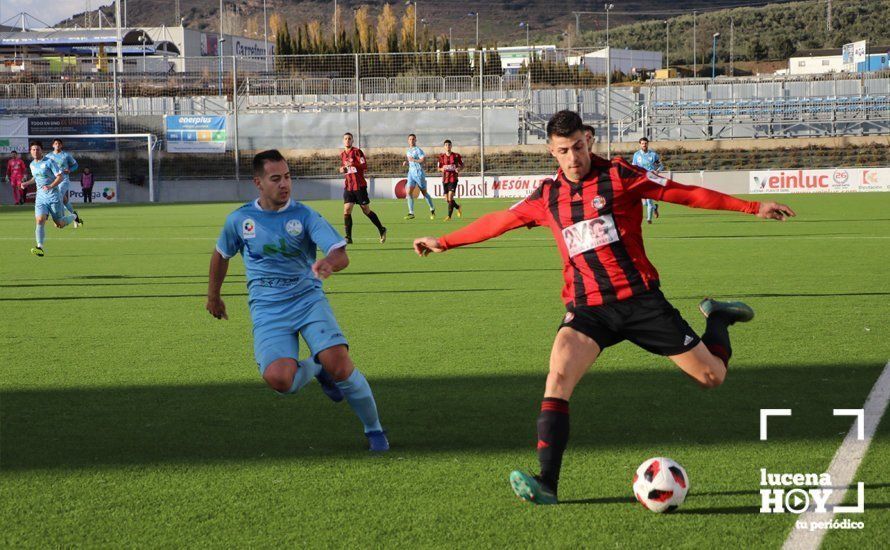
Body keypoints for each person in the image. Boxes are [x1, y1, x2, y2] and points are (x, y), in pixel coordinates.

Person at [412, 110, 795, 504]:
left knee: (712, 377)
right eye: (563, 150)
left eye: (578, 146)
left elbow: (685, 193)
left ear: (589, 140)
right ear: (552, 152)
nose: (573, 157)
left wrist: (751, 207)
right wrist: (445, 240)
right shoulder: (546, 196)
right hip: (589, 309)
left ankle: (719, 318)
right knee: (557, 376)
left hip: (641, 302)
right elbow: (498, 221)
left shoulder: (622, 176)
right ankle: (547, 483)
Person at [206, 149, 389, 452]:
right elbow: (220, 255)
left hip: (307, 300)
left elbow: (340, 252)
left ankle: (375, 432)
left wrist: (329, 263)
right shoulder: (240, 220)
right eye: (275, 178)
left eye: (288, 177)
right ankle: (317, 368)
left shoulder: (304, 215)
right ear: (258, 183)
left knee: (340, 364)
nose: (284, 184)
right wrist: (214, 295)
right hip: (267, 309)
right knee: (281, 380)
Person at [20, 141, 79, 257]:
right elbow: (35, 178)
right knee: (40, 220)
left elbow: (60, 177)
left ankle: (74, 216)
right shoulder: (32, 164)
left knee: (59, 224)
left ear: (42, 151)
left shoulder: (49, 162)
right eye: (33, 149)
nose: (35, 151)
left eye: (37, 149)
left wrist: (51, 186)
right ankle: (39, 247)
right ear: (30, 151)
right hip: (41, 198)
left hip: (54, 197)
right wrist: (27, 183)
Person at [339, 132, 386, 244]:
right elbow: (346, 169)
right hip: (349, 186)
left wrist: (353, 165)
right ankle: (348, 237)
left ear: (352, 141)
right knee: (347, 209)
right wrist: (342, 169)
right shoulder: (342, 154)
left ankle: (381, 228)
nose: (347, 140)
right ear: (343, 141)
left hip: (359, 186)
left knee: (365, 209)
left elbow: (364, 166)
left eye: (349, 138)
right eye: (345, 138)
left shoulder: (357, 152)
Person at [45, 138, 83, 227]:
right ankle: (75, 216)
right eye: (55, 143)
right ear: (53, 145)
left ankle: (61, 218)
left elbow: (75, 165)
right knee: (64, 200)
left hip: (63, 180)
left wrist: (69, 170)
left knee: (59, 197)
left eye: (59, 143)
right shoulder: (48, 156)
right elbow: (45, 167)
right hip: (53, 181)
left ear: (61, 145)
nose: (57, 145)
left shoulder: (66, 155)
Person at [402, 134, 435, 220]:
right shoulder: (408, 151)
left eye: (413, 139)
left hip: (419, 174)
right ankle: (411, 213)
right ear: (408, 141)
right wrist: (407, 162)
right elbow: (411, 161)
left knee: (424, 193)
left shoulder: (418, 150)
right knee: (408, 192)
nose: (411, 141)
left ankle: (432, 209)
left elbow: (423, 160)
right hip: (411, 174)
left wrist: (414, 160)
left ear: (415, 140)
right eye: (410, 139)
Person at [632, 137, 664, 224]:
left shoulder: (653, 155)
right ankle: (655, 208)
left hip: (651, 179)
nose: (644, 145)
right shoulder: (636, 155)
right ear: (640, 144)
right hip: (640, 180)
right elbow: (633, 168)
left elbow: (661, 166)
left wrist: (656, 172)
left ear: (648, 144)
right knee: (644, 203)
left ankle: (649, 219)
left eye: (645, 143)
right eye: (642, 143)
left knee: (649, 200)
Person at [437, 139, 463, 221]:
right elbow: (438, 168)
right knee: (447, 199)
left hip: (453, 179)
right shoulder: (441, 157)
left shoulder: (456, 156)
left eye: (449, 145)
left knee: (450, 197)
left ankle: (449, 216)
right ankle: (458, 207)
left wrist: (458, 169)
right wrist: (442, 169)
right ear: (444, 147)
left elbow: (462, 165)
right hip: (445, 179)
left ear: (451, 146)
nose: (448, 146)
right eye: (446, 145)